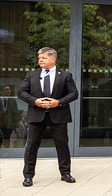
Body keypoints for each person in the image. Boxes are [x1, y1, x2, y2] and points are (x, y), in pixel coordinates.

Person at [19, 47, 79, 187]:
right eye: (39, 58)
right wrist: (35, 101)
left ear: (53, 59)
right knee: (32, 145)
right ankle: (28, 176)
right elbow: (21, 92)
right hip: (36, 114)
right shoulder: (31, 75)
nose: (40, 60)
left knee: (62, 145)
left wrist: (59, 102)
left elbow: (74, 93)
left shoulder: (65, 75)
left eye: (44, 58)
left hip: (58, 115)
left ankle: (65, 173)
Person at [1, 84, 21, 148]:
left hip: (8, 125)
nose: (8, 91)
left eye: (9, 89)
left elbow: (15, 114)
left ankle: (7, 153)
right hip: (0, 123)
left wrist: (16, 126)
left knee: (7, 141)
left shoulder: (12, 101)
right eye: (6, 89)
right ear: (1, 92)